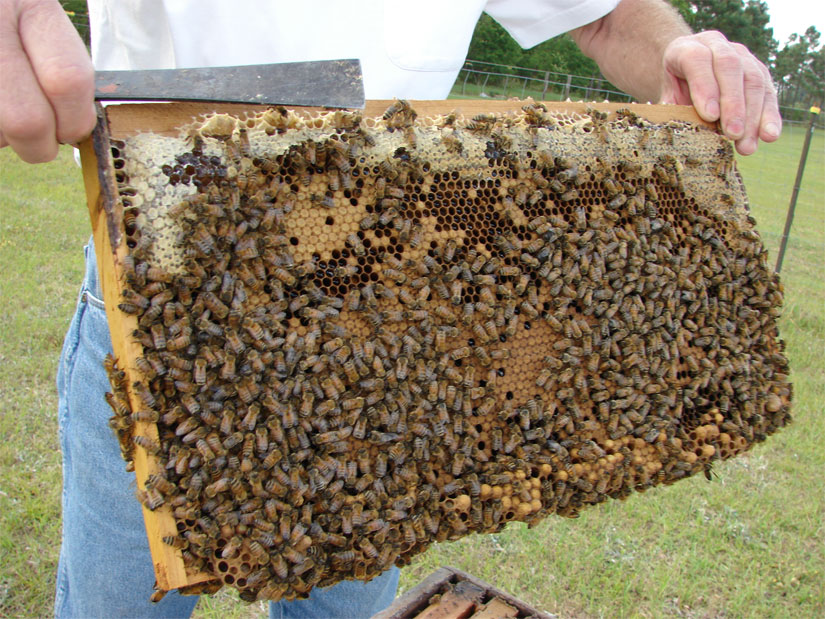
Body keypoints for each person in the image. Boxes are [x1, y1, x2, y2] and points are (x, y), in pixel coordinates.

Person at [0, 0, 781, 617]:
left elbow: (610, 14)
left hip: (395, 314)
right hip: (173, 304)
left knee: (355, 576)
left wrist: (678, 50)